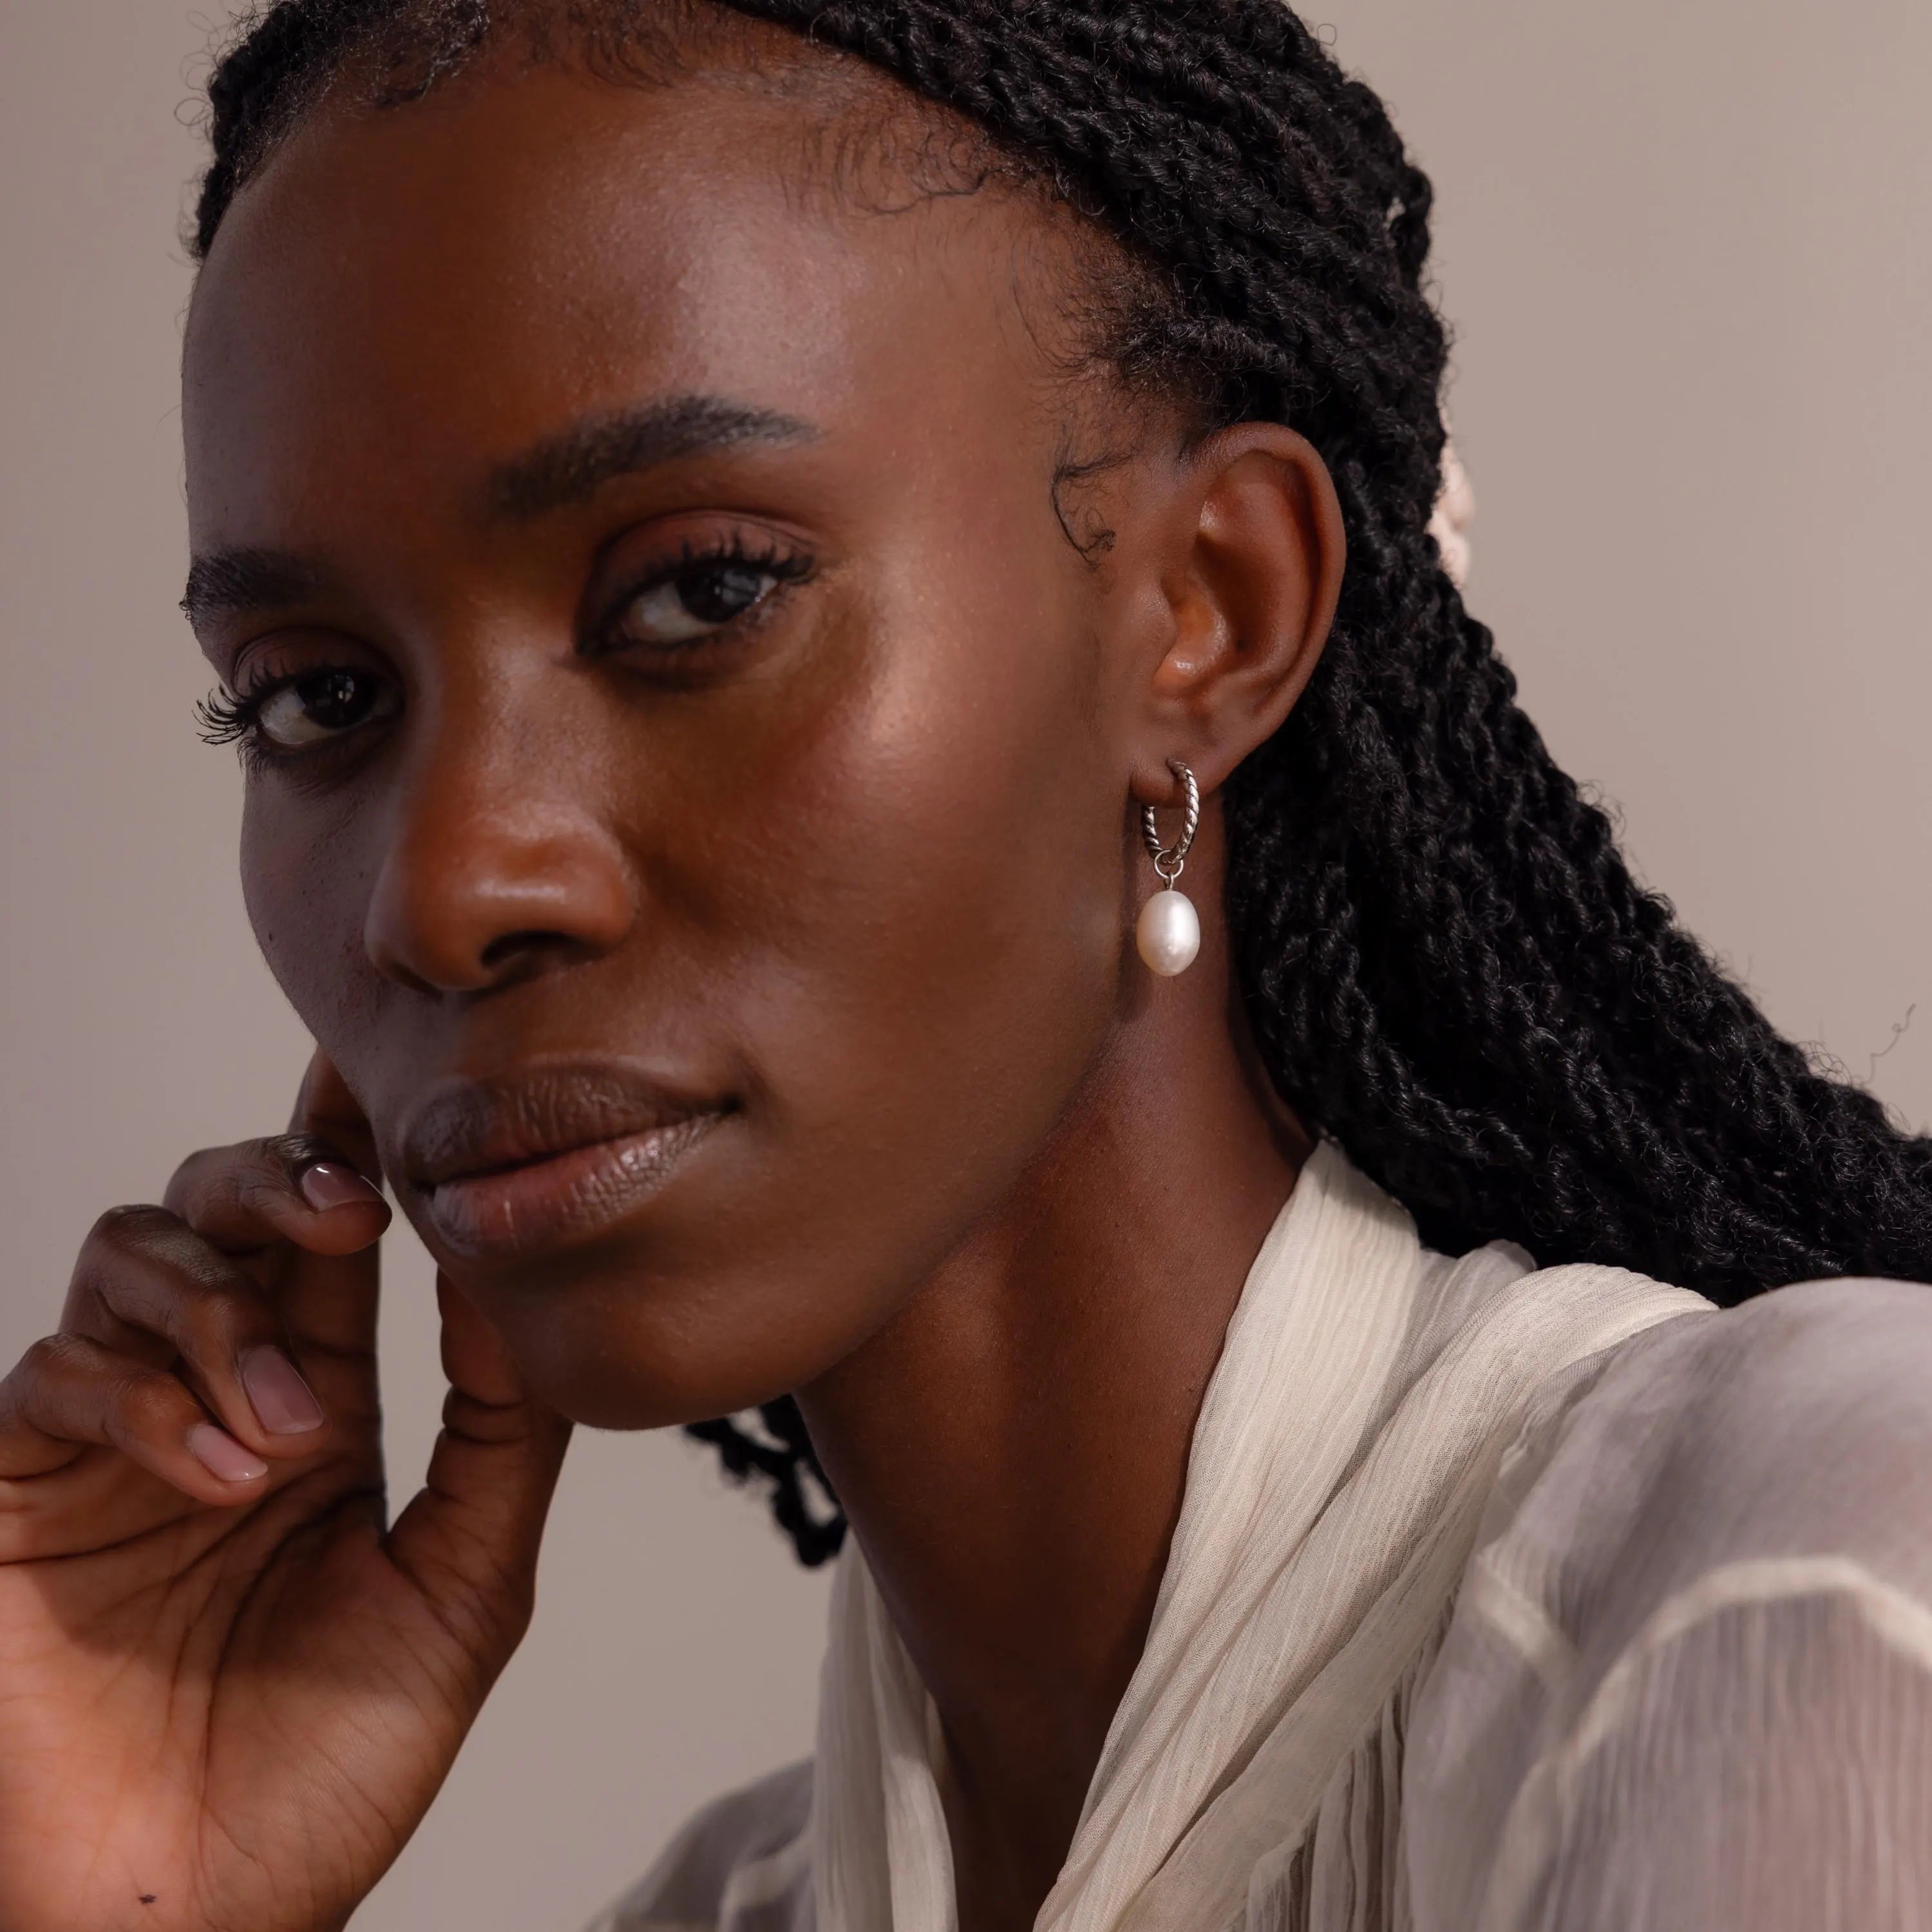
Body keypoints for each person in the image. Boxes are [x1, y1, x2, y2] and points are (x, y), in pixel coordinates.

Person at [1, 3, 1928, 1927]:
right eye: (317, 698)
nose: (441, 889)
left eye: (700, 592)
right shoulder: (722, 1911)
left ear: (1209, 611)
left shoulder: (1822, 1590)